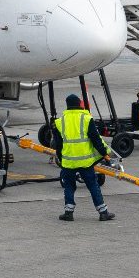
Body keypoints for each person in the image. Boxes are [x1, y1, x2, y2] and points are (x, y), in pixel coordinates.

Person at [50, 93, 115, 221]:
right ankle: (103, 212)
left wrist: (61, 158)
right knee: (92, 185)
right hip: (86, 162)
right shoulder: (86, 119)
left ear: (67, 106)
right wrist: (104, 153)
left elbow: (58, 144)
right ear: (79, 104)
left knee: (69, 186)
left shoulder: (60, 121)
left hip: (69, 162)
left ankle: (68, 212)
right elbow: (96, 139)